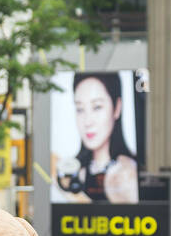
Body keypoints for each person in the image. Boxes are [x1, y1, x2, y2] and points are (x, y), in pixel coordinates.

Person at [54, 72, 139, 204]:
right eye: (80, 109)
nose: (88, 121)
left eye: (97, 107)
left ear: (117, 107)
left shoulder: (130, 172)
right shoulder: (71, 172)